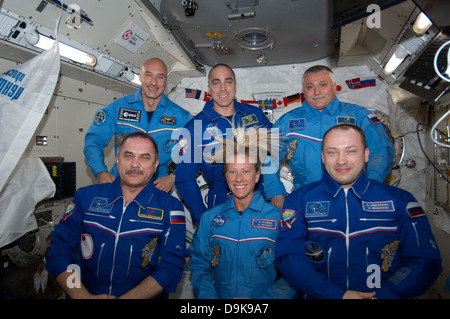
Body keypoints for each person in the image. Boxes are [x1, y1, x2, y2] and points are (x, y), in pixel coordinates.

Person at [275, 124, 441, 299]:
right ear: (323, 157)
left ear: (366, 154)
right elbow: (289, 257)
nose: (341, 160)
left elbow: (424, 260)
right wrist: (337, 295)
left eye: (351, 151)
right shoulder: (299, 200)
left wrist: (384, 295)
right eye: (332, 152)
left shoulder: (400, 200)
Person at [46, 132, 187, 298]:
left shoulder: (171, 207)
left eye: (144, 158)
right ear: (118, 160)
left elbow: (172, 265)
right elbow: (59, 251)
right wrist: (81, 295)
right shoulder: (85, 197)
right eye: (128, 156)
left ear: (155, 165)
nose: (135, 164)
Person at [189, 128, 295, 298]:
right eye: (232, 171)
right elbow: (199, 267)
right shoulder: (210, 219)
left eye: (246, 171)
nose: (239, 178)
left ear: (257, 175)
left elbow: (294, 272)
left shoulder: (278, 220)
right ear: (226, 176)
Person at [268, 65, 394, 207]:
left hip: (351, 199)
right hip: (304, 201)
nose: (317, 92)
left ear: (334, 86)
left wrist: (370, 185)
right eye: (310, 87)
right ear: (303, 91)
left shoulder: (358, 115)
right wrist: (275, 193)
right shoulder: (286, 122)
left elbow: (381, 150)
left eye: (323, 85)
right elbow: (269, 158)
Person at [175, 63, 285, 223]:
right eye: (216, 82)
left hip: (261, 199)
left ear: (235, 85)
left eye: (228, 81)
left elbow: (274, 149)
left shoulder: (255, 115)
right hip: (221, 205)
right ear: (209, 88)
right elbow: (184, 178)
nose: (223, 89)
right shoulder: (194, 128)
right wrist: (201, 217)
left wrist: (274, 190)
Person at [84, 58, 192, 192]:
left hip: (157, 187)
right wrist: (100, 171)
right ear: (140, 76)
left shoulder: (182, 117)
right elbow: (94, 141)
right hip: (119, 184)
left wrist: (173, 177)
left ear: (166, 81)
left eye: (160, 77)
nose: (153, 82)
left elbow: (192, 150)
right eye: (148, 75)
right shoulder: (117, 108)